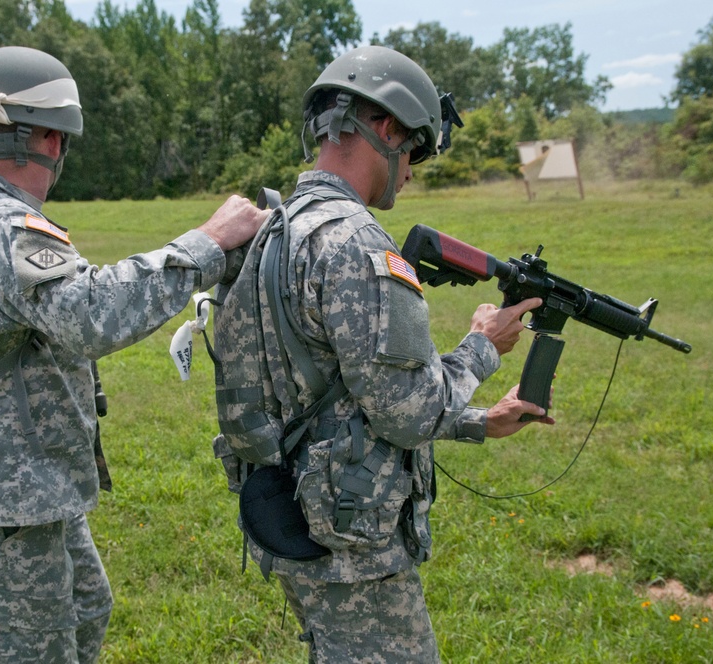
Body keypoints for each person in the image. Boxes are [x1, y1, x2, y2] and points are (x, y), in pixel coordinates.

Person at [0, 46, 267, 663]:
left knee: (86, 610)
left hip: (22, 488)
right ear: (46, 136)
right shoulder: (0, 222)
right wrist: (205, 243)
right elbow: (89, 314)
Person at [212, 46, 554, 662]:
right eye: (416, 149)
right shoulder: (356, 244)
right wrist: (482, 346)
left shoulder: (271, 227)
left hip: (287, 506)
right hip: (349, 542)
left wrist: (482, 422)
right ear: (386, 128)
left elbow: (328, 393)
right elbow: (407, 412)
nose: (414, 170)